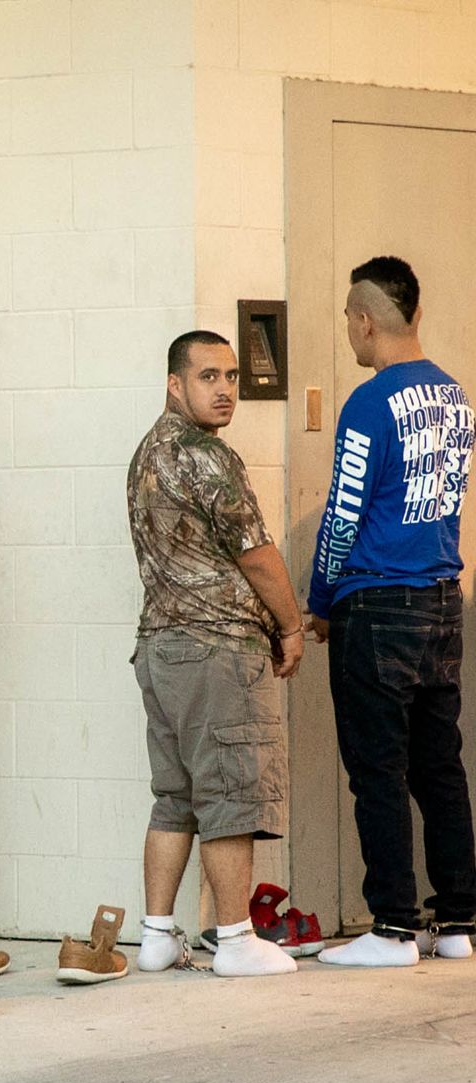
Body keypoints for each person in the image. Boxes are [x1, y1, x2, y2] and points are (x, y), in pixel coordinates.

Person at [307, 256, 476, 967]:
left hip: (377, 605)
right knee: (440, 766)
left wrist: (319, 599)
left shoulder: (370, 403)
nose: (348, 329)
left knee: (378, 769)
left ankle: (394, 927)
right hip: (443, 600)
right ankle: (459, 921)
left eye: (349, 317)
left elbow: (345, 513)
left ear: (366, 319)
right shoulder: (455, 395)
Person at [123, 331, 301, 978]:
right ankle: (234, 937)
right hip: (217, 649)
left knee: (174, 795)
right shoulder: (206, 457)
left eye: (230, 375)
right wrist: (290, 626)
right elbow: (257, 554)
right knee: (228, 789)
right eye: (208, 377)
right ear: (176, 384)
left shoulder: (146, 454)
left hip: (159, 648)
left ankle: (155, 934)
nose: (225, 388)